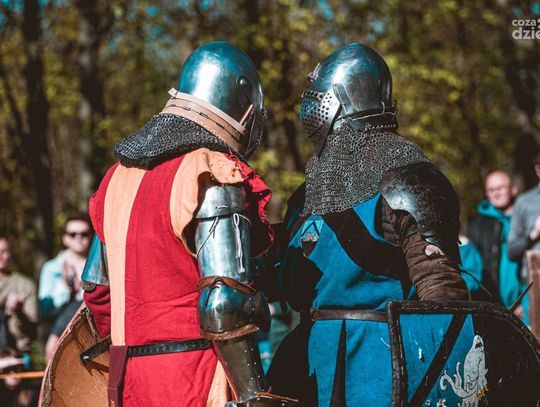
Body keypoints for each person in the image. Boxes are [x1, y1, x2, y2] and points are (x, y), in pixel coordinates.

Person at [81, 42, 296, 406]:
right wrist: (252, 395)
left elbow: (97, 289)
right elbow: (225, 300)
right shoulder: (209, 171)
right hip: (194, 379)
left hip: (129, 382)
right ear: (243, 109)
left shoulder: (115, 178)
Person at [267, 43, 469, 407]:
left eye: (318, 97)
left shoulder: (407, 179)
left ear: (339, 100)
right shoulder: (309, 192)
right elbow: (287, 284)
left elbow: (442, 295)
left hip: (379, 365)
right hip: (307, 364)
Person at [38, 214, 93, 361]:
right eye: (73, 234)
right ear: (65, 238)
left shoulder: (98, 268)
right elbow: (44, 311)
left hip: (91, 336)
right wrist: (65, 288)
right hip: (58, 335)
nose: (78, 238)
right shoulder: (52, 268)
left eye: (84, 234)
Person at [466, 171, 521, 308]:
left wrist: (526, 303)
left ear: (513, 188)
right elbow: (471, 270)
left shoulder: (526, 219)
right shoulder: (475, 226)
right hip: (491, 305)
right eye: (491, 190)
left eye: (500, 188)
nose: (496, 193)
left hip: (526, 304)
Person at [0, 236, 38, 406]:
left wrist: (20, 312)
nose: (0, 256)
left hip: (19, 355)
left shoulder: (25, 285)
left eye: (4, 251)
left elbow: (32, 331)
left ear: (11, 254)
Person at [508, 150, 540, 323]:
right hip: (533, 284)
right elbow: (512, 251)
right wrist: (533, 234)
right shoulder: (524, 202)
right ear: (538, 170)